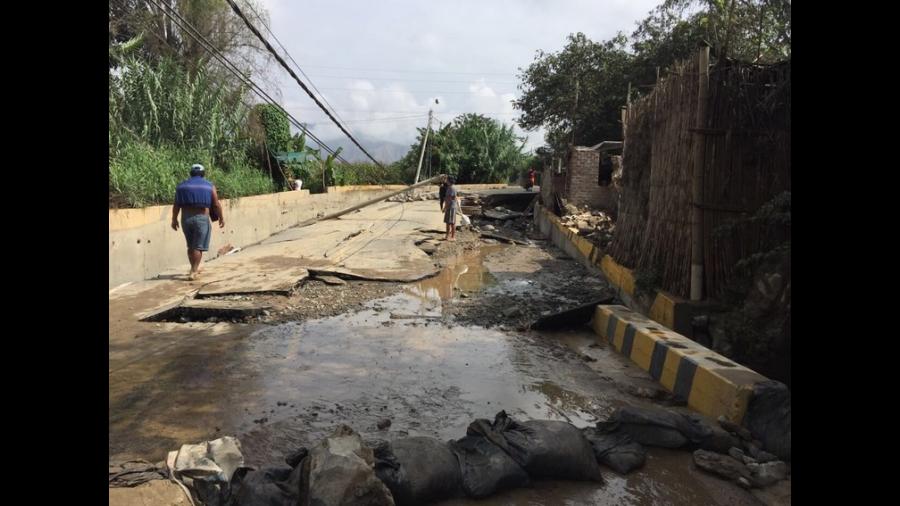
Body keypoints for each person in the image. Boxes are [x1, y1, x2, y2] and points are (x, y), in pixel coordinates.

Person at [171, 164, 225, 280]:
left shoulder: (181, 186)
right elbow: (216, 204)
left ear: (191, 173)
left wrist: (174, 219)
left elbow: (176, 205)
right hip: (201, 218)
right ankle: (194, 271)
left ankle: (193, 268)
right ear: (203, 174)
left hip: (186, 219)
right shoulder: (209, 186)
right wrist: (221, 217)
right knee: (198, 247)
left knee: (190, 246)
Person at [443, 176, 460, 241]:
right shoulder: (450, 187)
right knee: (451, 222)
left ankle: (451, 237)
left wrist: (445, 207)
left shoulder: (451, 188)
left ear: (449, 181)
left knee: (450, 222)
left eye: (447, 180)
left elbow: (449, 199)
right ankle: (448, 236)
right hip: (451, 206)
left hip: (450, 207)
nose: (446, 181)